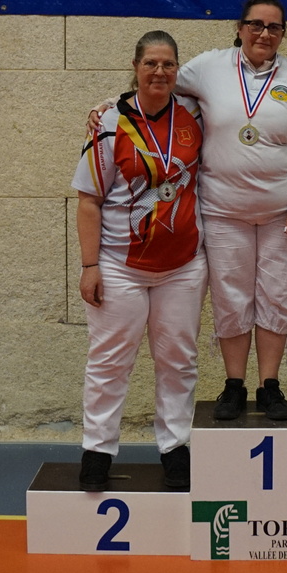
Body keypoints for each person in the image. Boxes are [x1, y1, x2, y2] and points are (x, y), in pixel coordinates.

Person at [178, 0, 287, 422]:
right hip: (223, 212)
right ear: (240, 28)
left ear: (283, 34)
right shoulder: (208, 67)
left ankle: (269, 386)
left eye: (274, 27)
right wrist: (112, 106)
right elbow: (160, 85)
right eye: (256, 25)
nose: (264, 33)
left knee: (278, 297)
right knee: (231, 297)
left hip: (283, 216)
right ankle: (233, 384)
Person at [74, 31, 206, 492]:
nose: (159, 72)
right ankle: (97, 449)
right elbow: (88, 200)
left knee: (178, 360)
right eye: (150, 63)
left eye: (168, 64)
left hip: (183, 266)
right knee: (110, 361)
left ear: (177, 70)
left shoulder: (194, 114)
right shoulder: (109, 123)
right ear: (135, 67)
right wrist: (89, 266)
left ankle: (175, 447)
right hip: (118, 265)